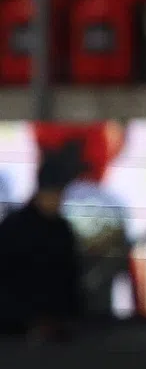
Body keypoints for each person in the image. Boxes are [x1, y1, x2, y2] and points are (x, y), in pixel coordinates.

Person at [0, 141, 85, 341]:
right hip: (14, 335)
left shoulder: (62, 230)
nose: (60, 200)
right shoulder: (14, 228)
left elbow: (70, 279)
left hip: (57, 333)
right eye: (57, 193)